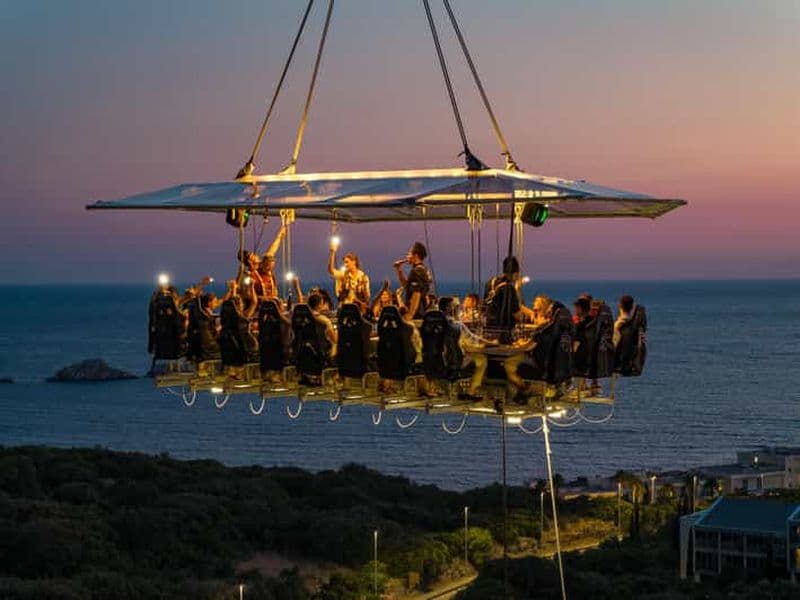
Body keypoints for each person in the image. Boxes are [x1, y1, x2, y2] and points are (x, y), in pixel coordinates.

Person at [503, 294, 554, 403]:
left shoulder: (544, 324)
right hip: (537, 354)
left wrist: (519, 346)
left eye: (536, 301)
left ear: (543, 304)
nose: (534, 303)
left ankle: (523, 389)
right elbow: (520, 307)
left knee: (509, 365)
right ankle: (521, 389)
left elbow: (530, 345)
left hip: (536, 357)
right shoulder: (535, 316)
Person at [438, 297, 489, 401]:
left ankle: (458, 388)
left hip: (438, 360)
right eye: (456, 306)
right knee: (482, 360)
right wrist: (491, 343)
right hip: (455, 361)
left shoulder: (433, 323)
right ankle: (471, 392)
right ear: (449, 308)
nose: (459, 307)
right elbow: (474, 340)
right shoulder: (456, 325)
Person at [484, 256, 535, 332]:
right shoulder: (510, 289)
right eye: (517, 274)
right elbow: (517, 314)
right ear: (514, 273)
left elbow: (486, 302)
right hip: (503, 329)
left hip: (488, 325)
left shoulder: (490, 282)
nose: (517, 277)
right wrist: (527, 317)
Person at [394, 241, 432, 321]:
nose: (407, 256)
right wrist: (399, 269)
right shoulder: (420, 270)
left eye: (409, 254)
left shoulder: (417, 271)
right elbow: (406, 286)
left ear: (416, 255)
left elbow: (416, 294)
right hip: (419, 313)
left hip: (416, 314)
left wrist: (410, 315)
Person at [328, 242, 371, 308]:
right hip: (345, 306)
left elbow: (367, 297)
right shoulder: (343, 274)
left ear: (354, 262)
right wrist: (333, 252)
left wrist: (364, 286)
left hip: (358, 308)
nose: (345, 265)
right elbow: (331, 270)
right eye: (344, 262)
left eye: (347, 262)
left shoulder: (363, 276)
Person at [257, 224, 288, 300]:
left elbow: (273, 250)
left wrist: (280, 236)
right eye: (268, 267)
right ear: (263, 264)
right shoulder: (256, 274)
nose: (270, 269)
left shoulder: (270, 274)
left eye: (271, 267)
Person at [308, 292, 337, 359]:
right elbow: (331, 334)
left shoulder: (308, 316)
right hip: (322, 346)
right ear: (319, 305)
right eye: (322, 303)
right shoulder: (322, 319)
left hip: (312, 344)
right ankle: (333, 359)